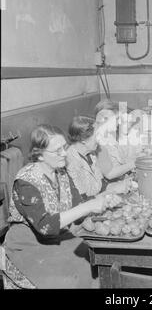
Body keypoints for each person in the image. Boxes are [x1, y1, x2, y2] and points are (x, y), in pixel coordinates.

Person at [3, 124, 122, 288]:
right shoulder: (26, 181)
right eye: (57, 150)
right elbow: (46, 226)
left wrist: (104, 200)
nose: (64, 154)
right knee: (70, 279)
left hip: (57, 238)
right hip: (28, 244)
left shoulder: (61, 173)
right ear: (40, 155)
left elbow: (77, 207)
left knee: (98, 262)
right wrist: (89, 206)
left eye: (64, 147)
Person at [66, 116, 132, 198]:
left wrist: (117, 186)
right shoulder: (70, 162)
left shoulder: (91, 154)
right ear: (83, 140)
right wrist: (110, 192)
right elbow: (81, 199)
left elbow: (101, 186)